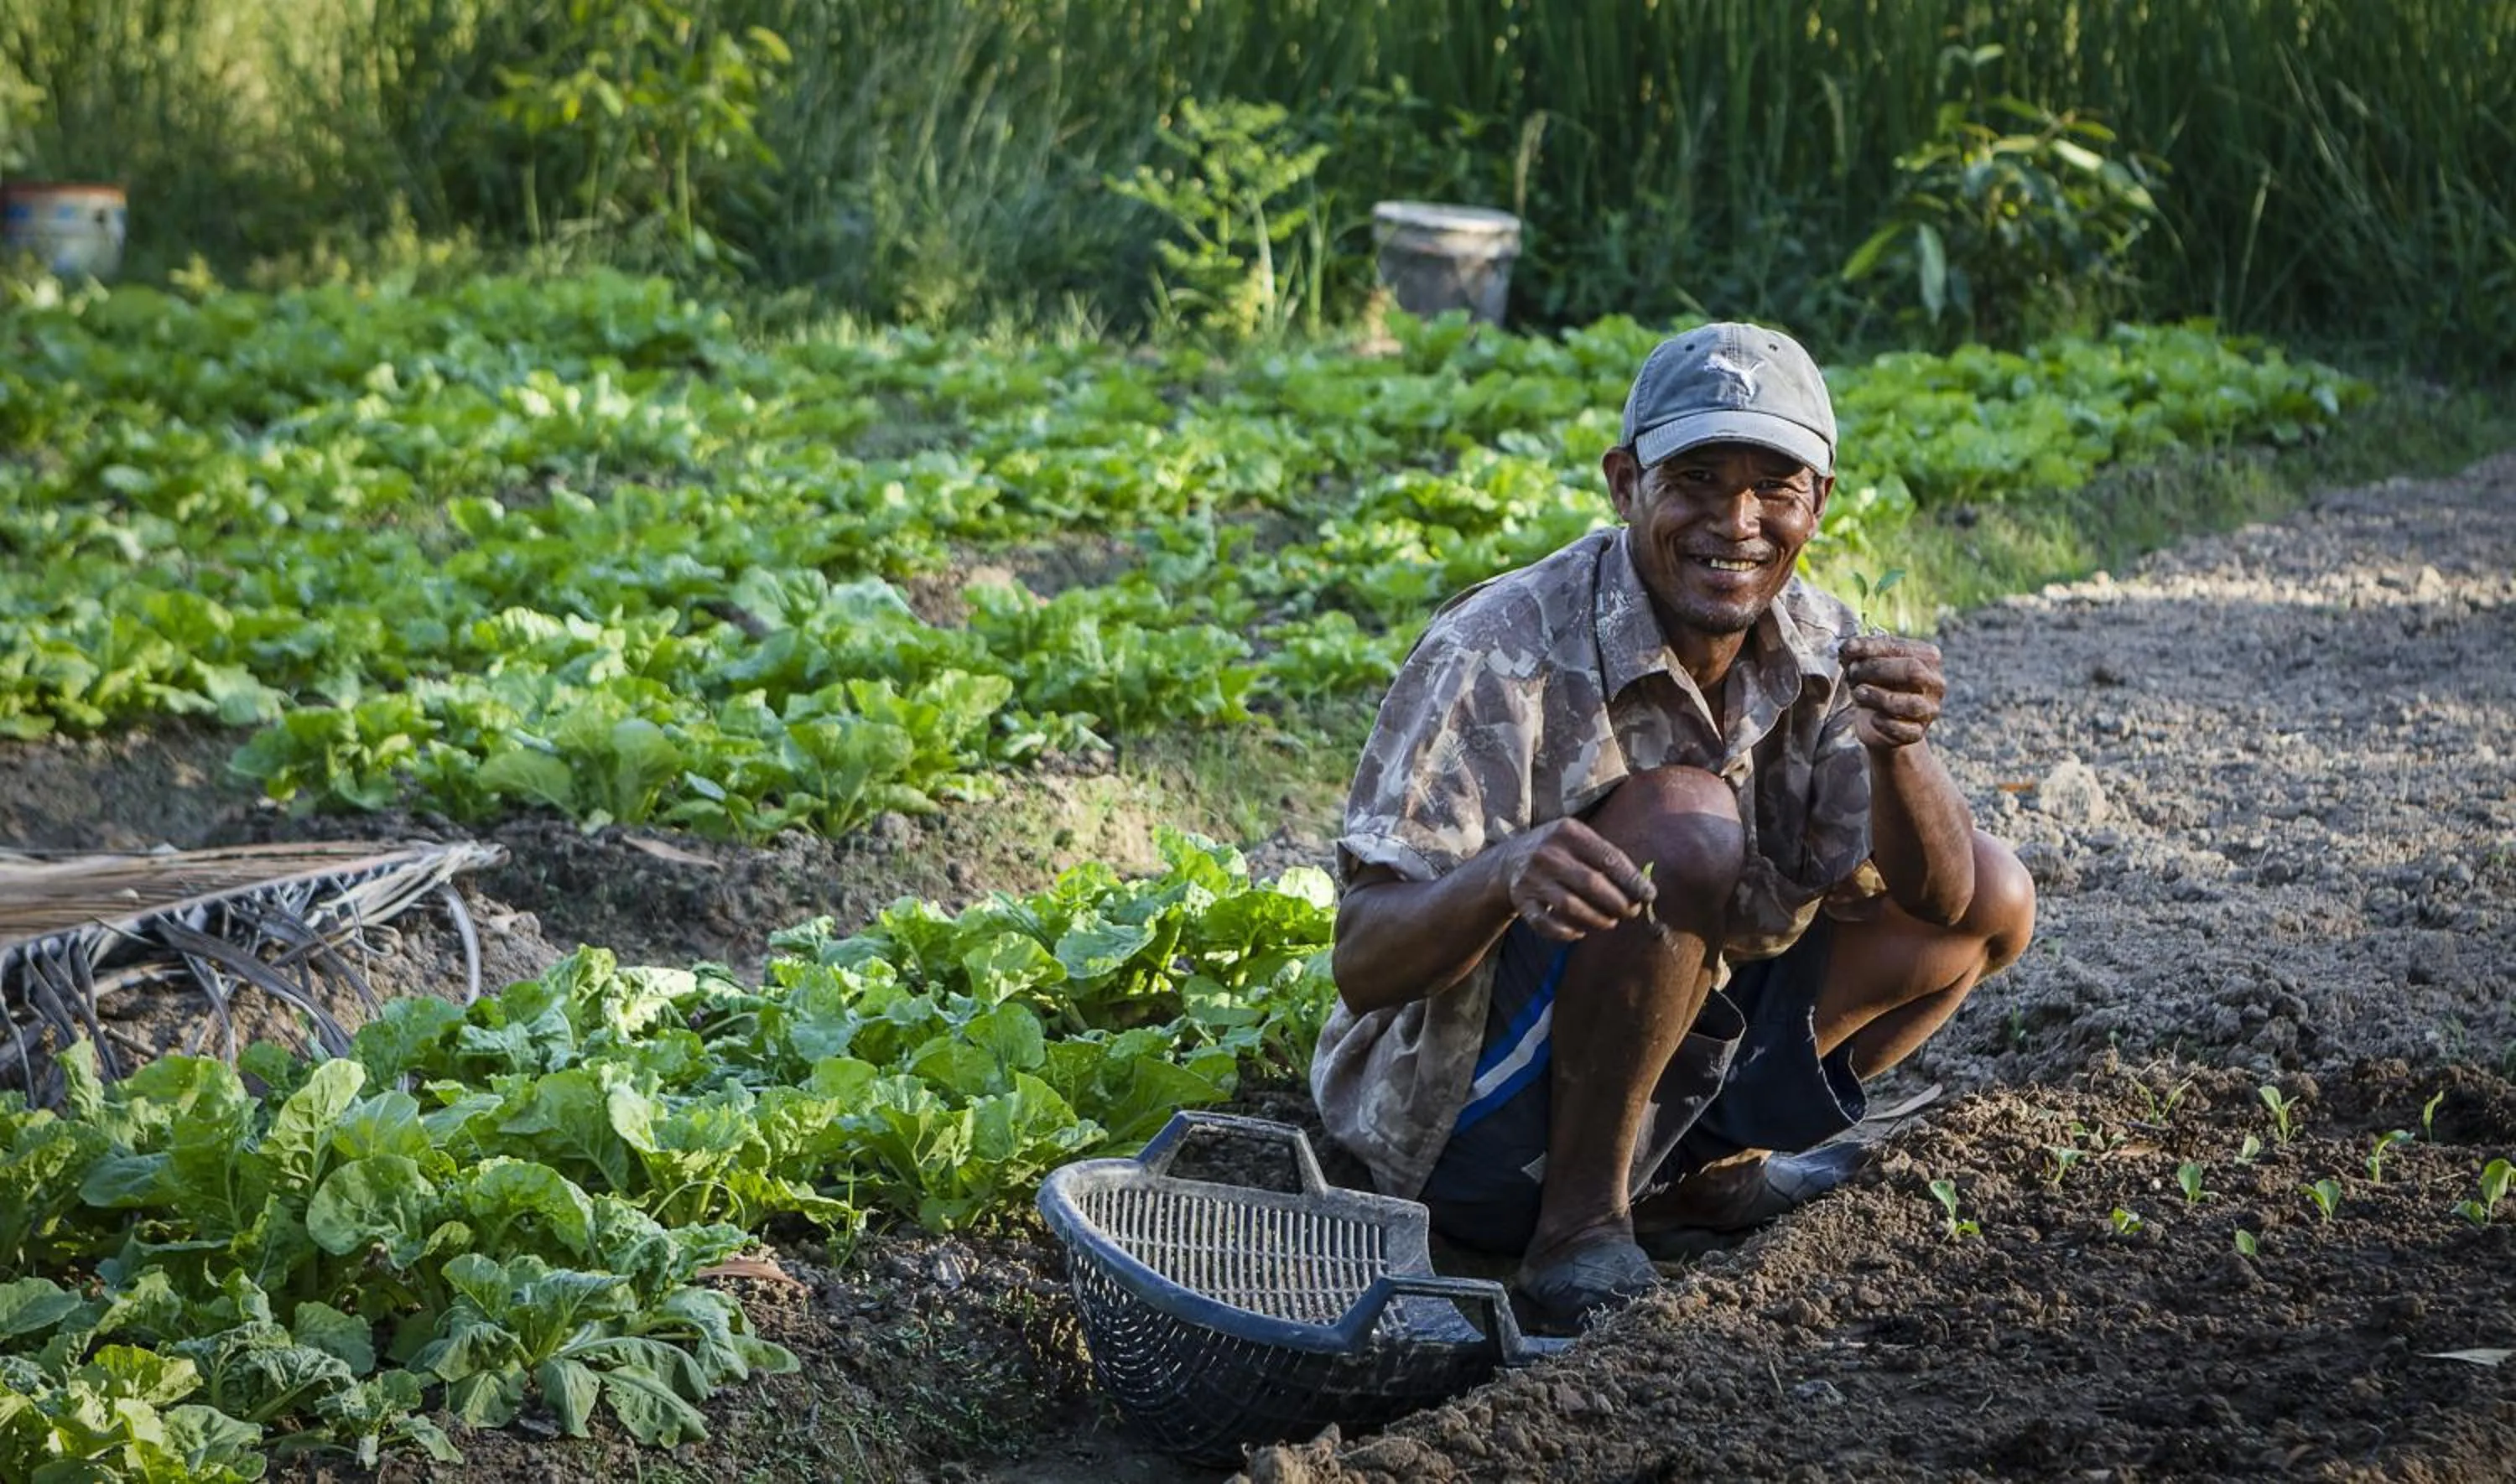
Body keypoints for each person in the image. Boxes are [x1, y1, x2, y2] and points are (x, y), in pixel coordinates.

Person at [1314, 322, 2036, 1332]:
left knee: (1998, 894)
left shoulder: (1822, 644)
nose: (1736, 522)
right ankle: (1575, 1228)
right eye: (1696, 478)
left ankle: (1703, 1174)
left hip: (1654, 1072)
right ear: (1626, 485)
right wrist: (1503, 874)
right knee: (1684, 820)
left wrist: (1900, 750)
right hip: (1458, 1125)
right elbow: (1362, 961)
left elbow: (1946, 903)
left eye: (1773, 488)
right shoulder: (1499, 649)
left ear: (1816, 505)